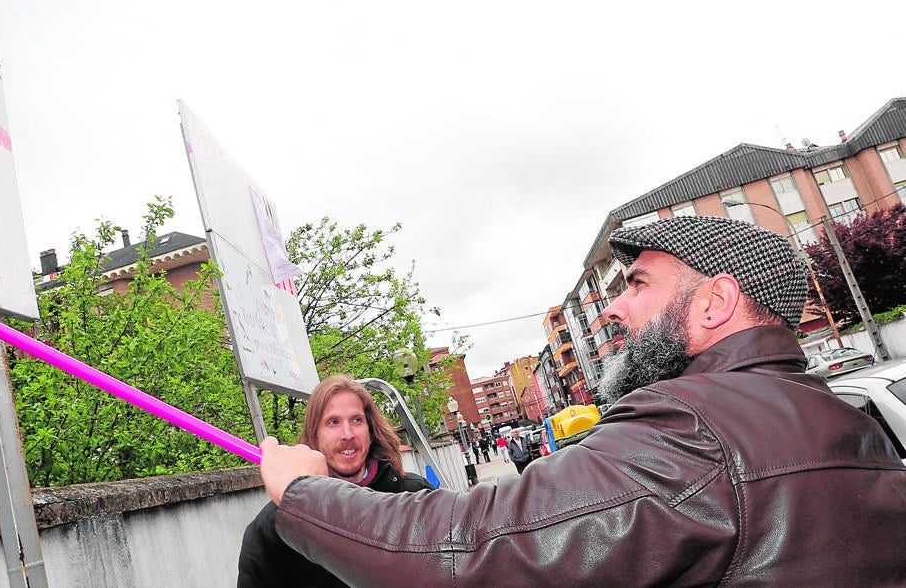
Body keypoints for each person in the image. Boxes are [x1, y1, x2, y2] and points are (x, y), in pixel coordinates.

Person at [260, 216, 906, 585]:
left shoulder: (690, 431)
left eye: (639, 284)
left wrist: (302, 493)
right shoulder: (853, 425)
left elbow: (466, 547)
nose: (614, 309)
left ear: (715, 302)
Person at [238, 375, 432, 587]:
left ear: (370, 429)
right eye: (333, 422)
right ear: (315, 434)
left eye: (356, 420)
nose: (347, 434)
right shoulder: (276, 526)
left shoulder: (415, 497)